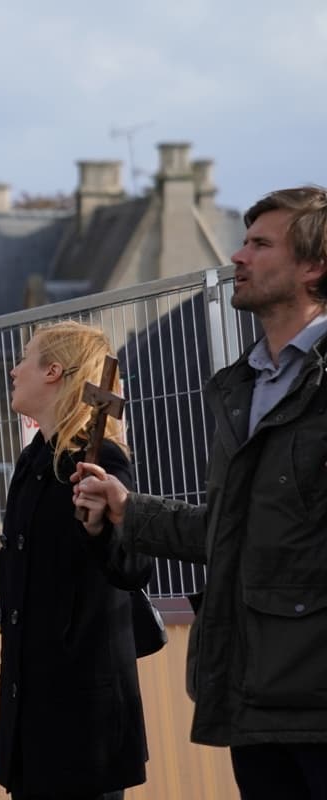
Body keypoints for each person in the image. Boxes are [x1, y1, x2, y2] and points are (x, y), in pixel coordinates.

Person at [73, 186, 327, 799]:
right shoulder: (243, 385)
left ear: (315, 266)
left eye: (261, 244)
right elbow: (231, 530)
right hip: (254, 690)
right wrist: (127, 507)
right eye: (243, 241)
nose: (238, 256)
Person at [0, 323, 150, 799]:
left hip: (84, 719)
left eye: (25, 359)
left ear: (53, 371)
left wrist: (101, 529)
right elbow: (14, 572)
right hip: (32, 708)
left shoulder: (105, 462)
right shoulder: (35, 460)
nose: (13, 370)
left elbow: (133, 569)